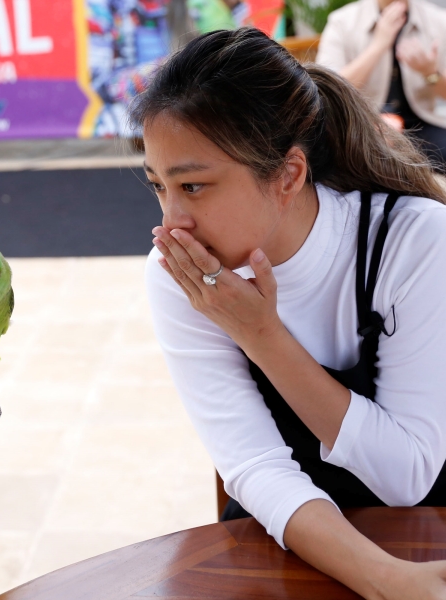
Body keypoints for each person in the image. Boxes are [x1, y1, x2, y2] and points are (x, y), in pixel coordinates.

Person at [139, 29, 446, 597]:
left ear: (289, 175)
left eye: (194, 185)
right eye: (159, 186)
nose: (171, 223)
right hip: (286, 536)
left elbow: (406, 477)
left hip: (426, 525)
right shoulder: (174, 276)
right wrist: (382, 580)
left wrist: (262, 335)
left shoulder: (411, 242)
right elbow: (255, 468)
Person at [317, 0, 446, 169]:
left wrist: (430, 73)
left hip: (423, 127)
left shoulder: (438, 20)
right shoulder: (342, 21)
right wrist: (379, 45)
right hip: (364, 126)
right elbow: (327, 90)